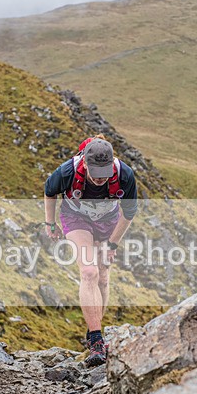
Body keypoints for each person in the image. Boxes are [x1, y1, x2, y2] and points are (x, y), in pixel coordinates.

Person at [44, 135, 138, 367]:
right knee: (89, 272)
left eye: (104, 173)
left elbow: (129, 213)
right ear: (85, 163)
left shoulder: (124, 174)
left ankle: (93, 328)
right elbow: (49, 191)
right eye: (95, 173)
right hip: (76, 218)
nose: (100, 179)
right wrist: (50, 223)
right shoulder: (67, 171)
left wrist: (112, 244)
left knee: (103, 278)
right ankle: (96, 341)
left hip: (108, 221)